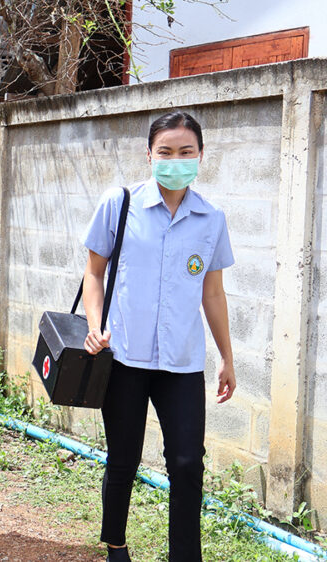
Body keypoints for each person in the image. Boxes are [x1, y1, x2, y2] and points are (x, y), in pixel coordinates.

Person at [82, 111, 235, 562]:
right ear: (149, 155)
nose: (175, 160)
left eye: (186, 151)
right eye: (165, 152)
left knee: (187, 464)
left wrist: (227, 357)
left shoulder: (211, 218)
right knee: (123, 458)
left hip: (182, 363)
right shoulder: (120, 203)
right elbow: (94, 273)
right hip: (124, 357)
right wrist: (95, 327)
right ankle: (116, 546)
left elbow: (212, 292)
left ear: (201, 155)